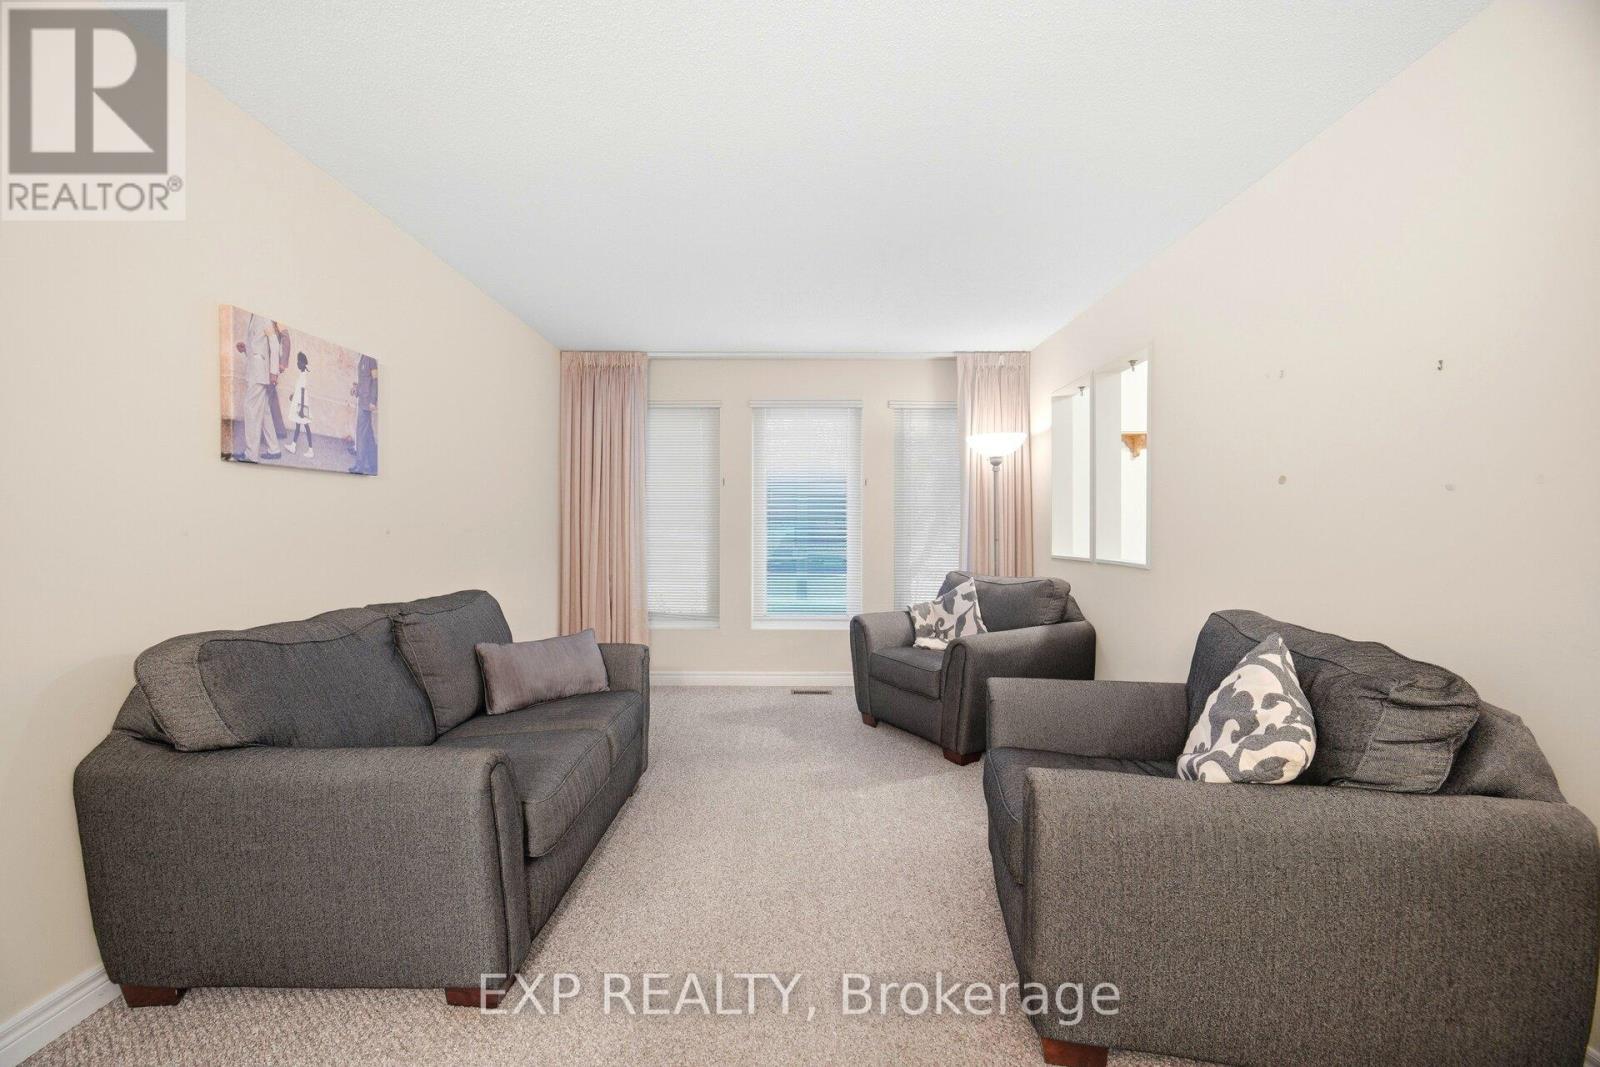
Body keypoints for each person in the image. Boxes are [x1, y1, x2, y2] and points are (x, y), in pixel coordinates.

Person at [236, 313, 281, 462]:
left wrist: (273, 373)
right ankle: (274, 449)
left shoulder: (264, 316)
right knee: (264, 411)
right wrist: (246, 349)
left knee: (251, 409)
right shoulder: (254, 316)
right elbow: (258, 346)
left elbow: (274, 344)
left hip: (259, 373)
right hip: (256, 370)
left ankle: (251, 455)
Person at [349, 354, 379, 475]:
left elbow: (375, 380)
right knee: (368, 436)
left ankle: (359, 466)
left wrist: (373, 400)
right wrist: (356, 388)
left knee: (361, 434)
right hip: (362, 399)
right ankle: (374, 466)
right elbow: (364, 380)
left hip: (367, 402)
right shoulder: (362, 357)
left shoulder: (370, 358)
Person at [282, 351, 314, 459]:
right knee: (298, 425)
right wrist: (293, 395)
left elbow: (303, 391)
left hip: (302, 406)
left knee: (306, 426)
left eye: (299, 362)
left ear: (303, 363)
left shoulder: (304, 375)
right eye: (297, 361)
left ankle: (310, 450)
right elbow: (299, 390)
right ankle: (293, 446)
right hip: (300, 404)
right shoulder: (302, 374)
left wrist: (301, 410)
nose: (297, 363)